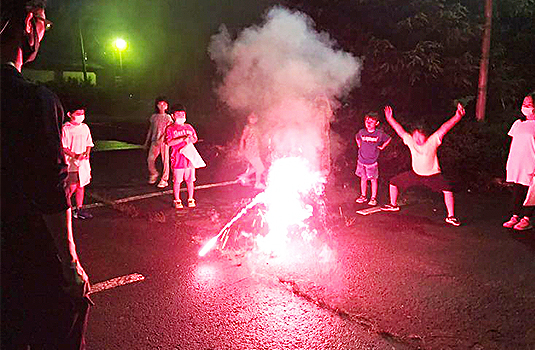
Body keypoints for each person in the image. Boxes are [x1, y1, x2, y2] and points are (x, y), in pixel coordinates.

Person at [1, 1, 91, 348]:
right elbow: (51, 190)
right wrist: (71, 265)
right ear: (28, 23)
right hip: (22, 254)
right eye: (43, 23)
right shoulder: (33, 100)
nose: (43, 31)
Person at [381, 103, 465, 226]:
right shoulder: (410, 141)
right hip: (416, 174)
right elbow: (399, 130)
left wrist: (457, 117)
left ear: (426, 136)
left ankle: (451, 216)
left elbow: (444, 128)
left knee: (447, 190)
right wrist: (390, 119)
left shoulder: (433, 140)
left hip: (433, 176)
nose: (417, 140)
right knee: (393, 182)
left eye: (420, 137)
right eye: (415, 136)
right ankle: (393, 205)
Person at [502, 93, 535, 230]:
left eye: (529, 104)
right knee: (517, 190)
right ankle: (515, 215)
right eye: (524, 103)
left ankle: (526, 218)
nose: (525, 106)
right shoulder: (518, 123)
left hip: (531, 162)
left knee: (530, 192)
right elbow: (513, 143)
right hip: (517, 163)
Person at [165, 104, 205, 209]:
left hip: (189, 158)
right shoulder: (170, 128)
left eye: (182, 114)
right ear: (173, 116)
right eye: (178, 114)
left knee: (190, 180)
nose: (181, 116)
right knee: (177, 180)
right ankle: (177, 199)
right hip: (178, 158)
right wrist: (182, 138)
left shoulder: (189, 127)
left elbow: (195, 139)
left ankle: (190, 198)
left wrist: (190, 139)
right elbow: (169, 142)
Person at [62, 103, 94, 219]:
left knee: (81, 185)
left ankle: (79, 209)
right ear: (70, 114)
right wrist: (74, 155)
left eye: (82, 113)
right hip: (71, 163)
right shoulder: (66, 128)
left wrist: (87, 154)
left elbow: (88, 143)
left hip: (83, 163)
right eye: (78, 114)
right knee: (71, 186)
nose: (81, 116)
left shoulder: (85, 127)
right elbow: (63, 146)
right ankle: (64, 208)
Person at [355, 112, 391, 206]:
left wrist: (383, 146)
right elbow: (357, 137)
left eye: (371, 121)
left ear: (377, 123)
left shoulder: (379, 133)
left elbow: (388, 138)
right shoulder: (362, 132)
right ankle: (363, 196)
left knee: (373, 179)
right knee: (363, 178)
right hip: (361, 160)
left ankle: (373, 198)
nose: (368, 123)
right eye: (367, 121)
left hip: (372, 162)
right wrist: (359, 144)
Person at [144, 96, 173, 188]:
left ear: (167, 106)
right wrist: (146, 142)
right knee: (150, 159)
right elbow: (151, 129)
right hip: (154, 141)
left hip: (164, 142)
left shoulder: (168, 117)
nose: (162, 106)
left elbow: (169, 130)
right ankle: (154, 173)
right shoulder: (154, 117)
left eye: (164, 104)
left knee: (165, 161)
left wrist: (163, 138)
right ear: (157, 105)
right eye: (160, 104)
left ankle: (164, 179)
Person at [237, 112, 266, 189]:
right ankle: (257, 183)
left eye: (254, 117)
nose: (253, 119)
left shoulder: (255, 128)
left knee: (255, 167)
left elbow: (259, 139)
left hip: (255, 150)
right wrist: (241, 149)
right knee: (260, 168)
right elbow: (242, 138)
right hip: (250, 151)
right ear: (248, 119)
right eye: (251, 117)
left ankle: (243, 177)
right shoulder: (247, 128)